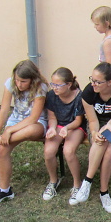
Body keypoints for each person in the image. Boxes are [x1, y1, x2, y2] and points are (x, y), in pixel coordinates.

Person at [0, 59, 48, 206]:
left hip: (36, 123)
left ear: (33, 80)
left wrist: (8, 132)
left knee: (31, 130)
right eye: (17, 80)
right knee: (3, 150)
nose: (19, 84)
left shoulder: (41, 88)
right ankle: (5, 191)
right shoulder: (10, 83)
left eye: (23, 81)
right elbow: (4, 110)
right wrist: (0, 132)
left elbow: (33, 118)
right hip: (15, 120)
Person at [74, 62, 111, 213]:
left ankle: (87, 180)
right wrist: (94, 133)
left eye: (98, 82)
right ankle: (104, 193)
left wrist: (109, 126)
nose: (93, 84)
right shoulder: (88, 93)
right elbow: (92, 120)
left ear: (110, 82)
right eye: (92, 80)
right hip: (97, 124)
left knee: (107, 136)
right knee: (109, 149)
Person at [42, 67, 86, 205]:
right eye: (52, 84)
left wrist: (67, 128)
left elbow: (78, 121)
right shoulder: (51, 95)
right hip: (59, 124)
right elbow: (52, 117)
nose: (54, 88)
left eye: (58, 85)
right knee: (49, 151)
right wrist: (52, 128)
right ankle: (53, 181)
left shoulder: (79, 96)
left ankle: (77, 184)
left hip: (75, 126)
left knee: (68, 151)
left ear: (68, 84)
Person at [91, 6, 111, 81]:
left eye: (97, 24)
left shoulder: (108, 42)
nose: (95, 27)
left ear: (107, 23)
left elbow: (109, 66)